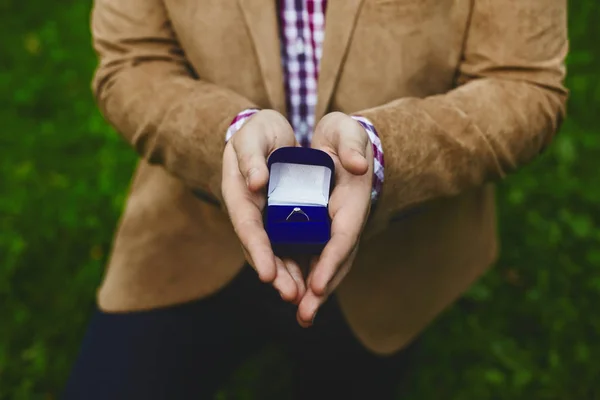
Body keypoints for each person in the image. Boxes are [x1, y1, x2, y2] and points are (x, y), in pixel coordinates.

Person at [63, 0, 568, 398]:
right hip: (190, 234)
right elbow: (132, 61)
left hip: (394, 258)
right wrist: (225, 136)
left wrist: (384, 152)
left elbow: (522, 83)